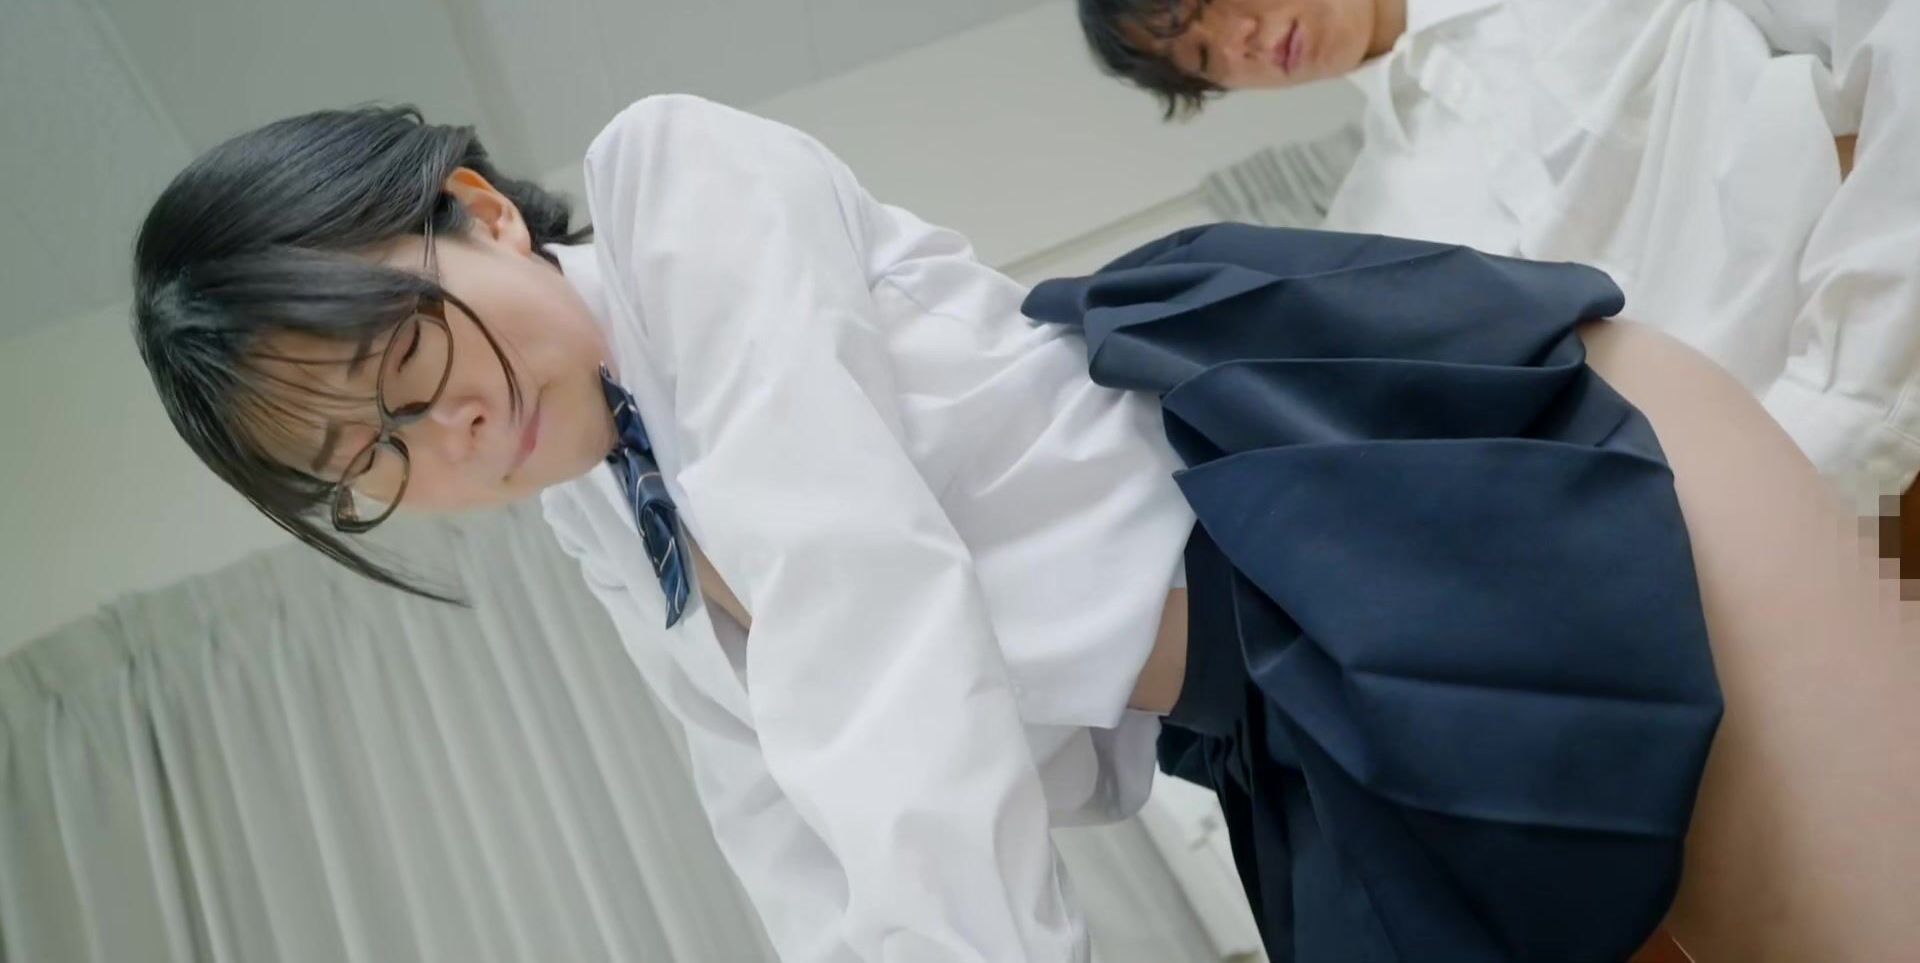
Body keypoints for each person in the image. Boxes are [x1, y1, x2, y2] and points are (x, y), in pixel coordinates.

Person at [132, 94, 1916, 961]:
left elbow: (863, 604)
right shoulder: (603, 516)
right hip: (1294, 735)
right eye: (373, 458)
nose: (444, 432)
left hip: (1423, 520)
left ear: (477, 215)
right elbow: (777, 814)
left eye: (404, 358)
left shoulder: (673, 186)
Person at [1074, 0, 1920, 521]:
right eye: (1203, 59)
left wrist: (1840, 422)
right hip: (1753, 563)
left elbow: (1898, 6)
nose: (1240, 41)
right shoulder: (1366, 241)